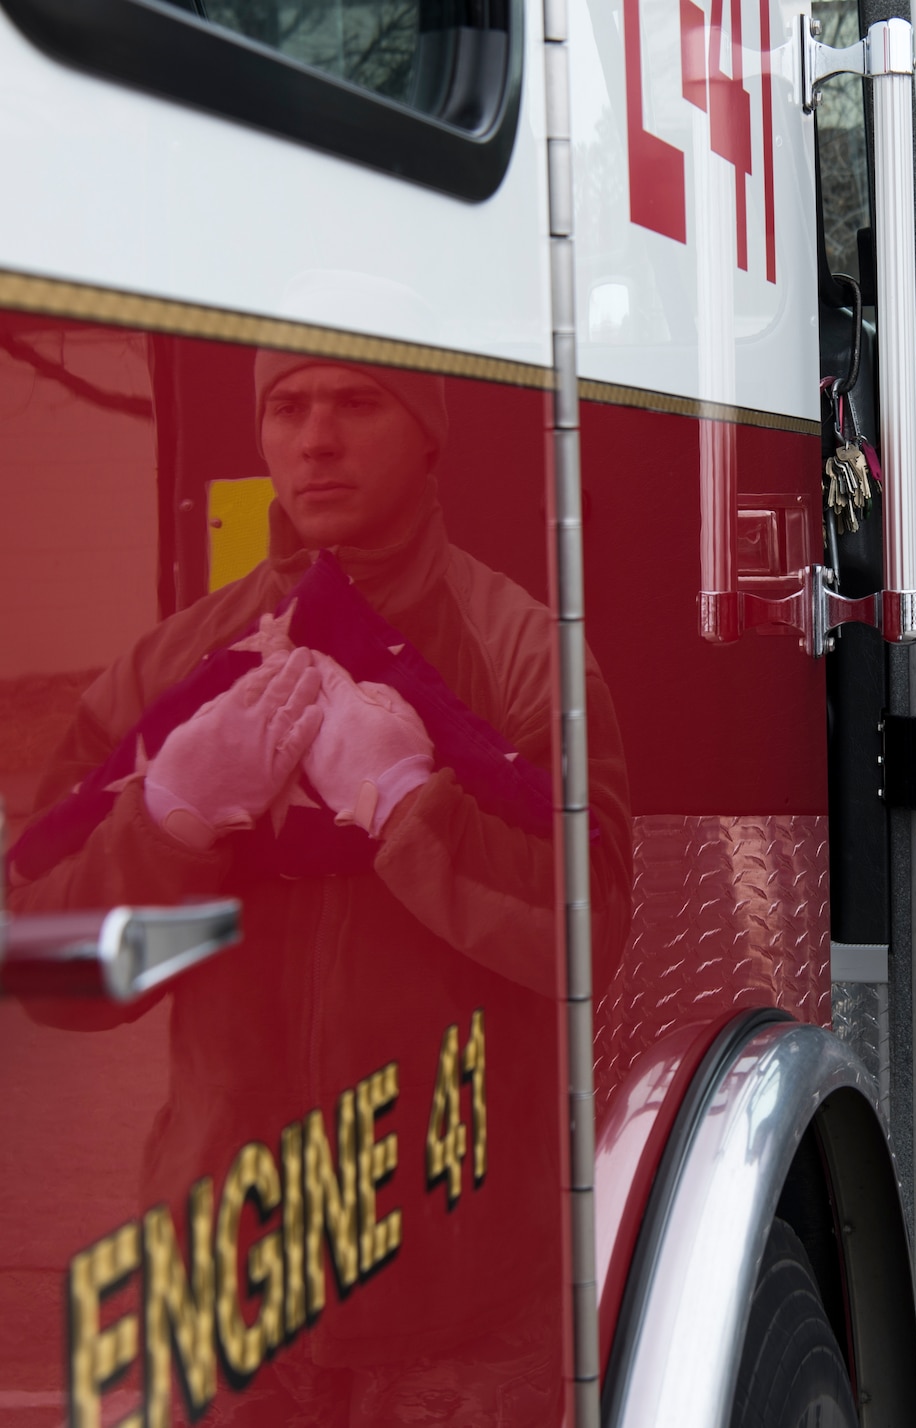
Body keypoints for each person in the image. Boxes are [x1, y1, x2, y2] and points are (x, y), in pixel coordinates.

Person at [8, 349, 632, 1421]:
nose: (316, 438)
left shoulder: (523, 653)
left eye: (357, 403)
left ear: (427, 431)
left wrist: (404, 803)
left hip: (459, 1292)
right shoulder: (176, 667)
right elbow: (51, 971)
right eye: (286, 408)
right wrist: (168, 823)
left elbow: (590, 935)